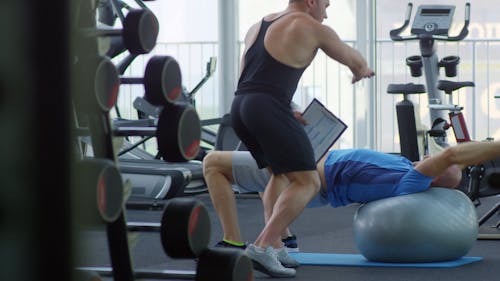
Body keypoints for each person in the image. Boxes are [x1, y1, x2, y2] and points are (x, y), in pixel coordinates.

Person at [204, 140, 500, 277]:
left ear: (433, 175)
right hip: (308, 170)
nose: (428, 156)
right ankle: (283, 241)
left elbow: (451, 156)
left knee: (213, 163)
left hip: (305, 177)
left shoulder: (412, 180)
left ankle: (237, 242)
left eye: (432, 162)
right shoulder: (405, 169)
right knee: (262, 179)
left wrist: (496, 146)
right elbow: (451, 159)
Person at [229, 0, 375, 277]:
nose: (327, 12)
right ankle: (261, 246)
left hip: (241, 107)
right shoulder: (310, 25)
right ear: (311, 2)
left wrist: (283, 110)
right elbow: (354, 60)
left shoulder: (258, 26)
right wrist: (361, 72)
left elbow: (249, 78)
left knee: (279, 174)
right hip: (267, 107)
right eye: (326, 4)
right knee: (308, 181)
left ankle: (273, 243)